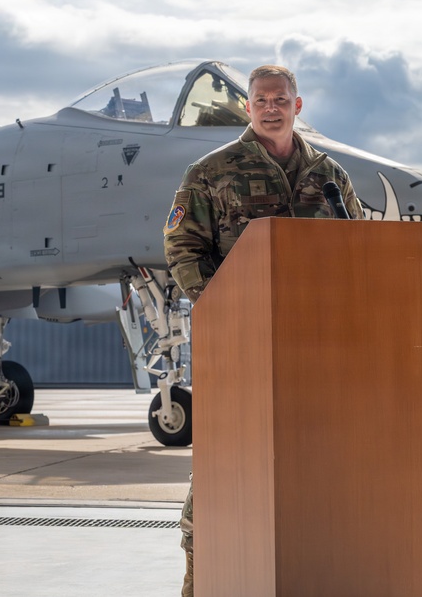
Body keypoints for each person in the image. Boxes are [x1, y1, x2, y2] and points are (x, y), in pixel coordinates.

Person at [162, 64, 363, 595]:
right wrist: (225, 312)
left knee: (317, 471)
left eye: (281, 99)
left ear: (298, 106)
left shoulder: (330, 176)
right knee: (224, 476)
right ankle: (204, 581)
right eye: (260, 100)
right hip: (240, 351)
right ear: (247, 107)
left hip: (318, 354)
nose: (271, 107)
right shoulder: (212, 171)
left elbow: (359, 249)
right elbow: (183, 249)